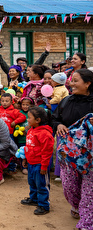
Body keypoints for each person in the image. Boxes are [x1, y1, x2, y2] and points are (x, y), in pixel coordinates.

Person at [52, 69, 93, 228]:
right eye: (71, 80)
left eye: (75, 81)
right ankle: (77, 204)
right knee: (69, 186)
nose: (71, 83)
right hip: (68, 155)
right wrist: (59, 125)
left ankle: (86, 222)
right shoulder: (66, 101)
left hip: (90, 155)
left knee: (89, 191)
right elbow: (55, 119)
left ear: (88, 83)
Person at [21, 106, 54, 215]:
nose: (27, 119)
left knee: (42, 184)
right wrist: (25, 158)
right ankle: (34, 199)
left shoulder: (45, 134)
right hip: (31, 162)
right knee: (32, 182)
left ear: (38, 120)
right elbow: (28, 146)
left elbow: (47, 152)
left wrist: (44, 166)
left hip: (40, 164)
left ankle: (44, 205)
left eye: (29, 117)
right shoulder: (31, 130)